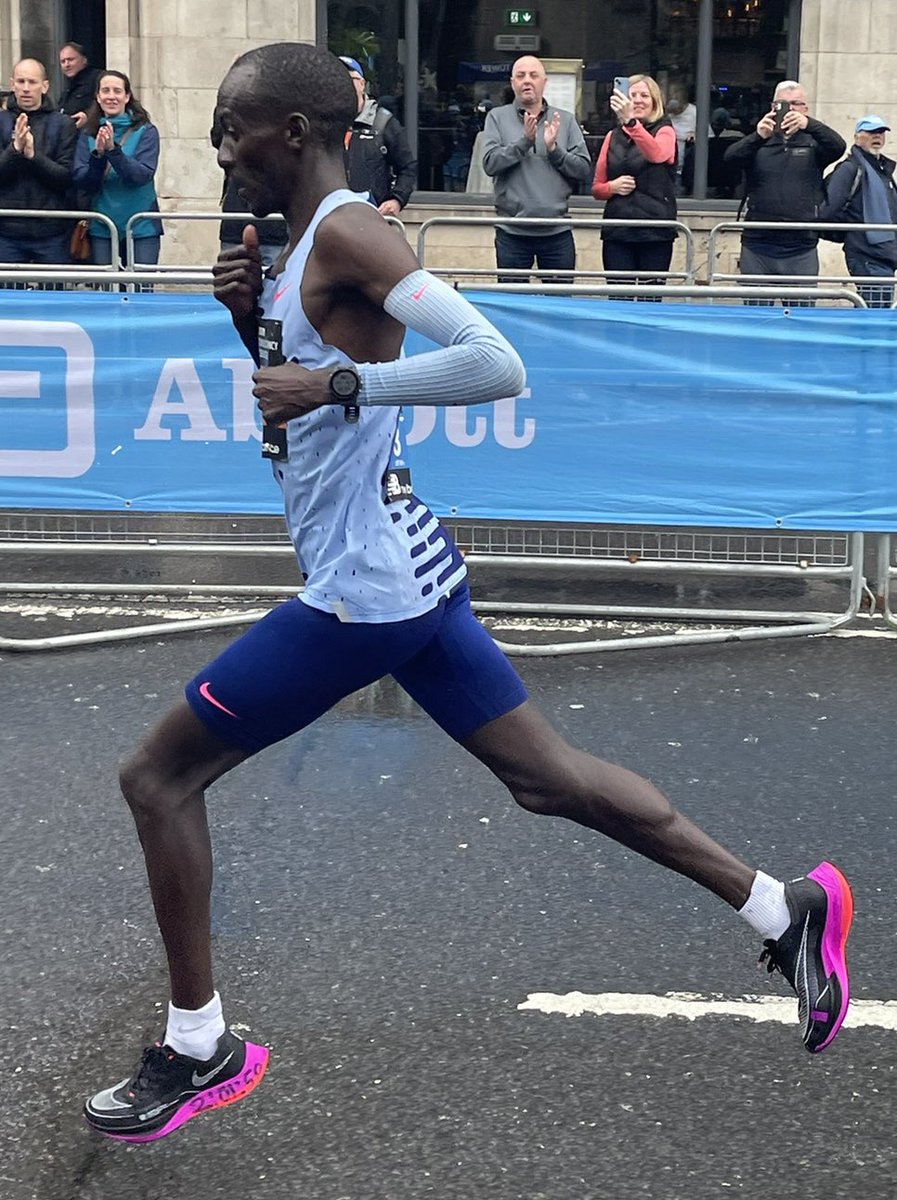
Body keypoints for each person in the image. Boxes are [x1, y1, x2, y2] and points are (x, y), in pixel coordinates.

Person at [83, 42, 854, 1145]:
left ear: (293, 133)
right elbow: (299, 411)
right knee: (548, 782)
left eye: (229, 127)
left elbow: (496, 362)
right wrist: (244, 318)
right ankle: (785, 904)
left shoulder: (352, 230)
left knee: (156, 776)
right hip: (401, 563)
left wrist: (342, 376)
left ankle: (200, 1045)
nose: (216, 147)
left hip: (366, 590)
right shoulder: (297, 242)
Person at [724, 80, 845, 304]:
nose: (789, 110)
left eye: (795, 104)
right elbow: (730, 159)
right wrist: (757, 136)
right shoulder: (759, 141)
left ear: (805, 108)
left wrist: (809, 125)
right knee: (757, 316)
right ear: (772, 107)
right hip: (758, 244)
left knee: (801, 316)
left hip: (800, 246)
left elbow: (838, 146)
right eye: (782, 104)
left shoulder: (814, 143)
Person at [481, 55, 592, 282]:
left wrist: (554, 150)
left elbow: (583, 170)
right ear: (512, 83)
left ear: (544, 82)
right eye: (520, 76)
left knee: (558, 307)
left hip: (556, 232)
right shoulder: (497, 118)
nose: (527, 81)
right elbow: (490, 164)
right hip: (512, 232)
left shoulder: (566, 120)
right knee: (513, 306)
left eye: (533, 75)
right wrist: (524, 142)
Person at [590, 75, 677, 298]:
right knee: (619, 298)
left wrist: (632, 124)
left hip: (654, 232)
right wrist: (612, 187)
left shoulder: (665, 130)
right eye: (632, 96)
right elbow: (597, 188)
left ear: (655, 101)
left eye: (644, 95)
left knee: (650, 298)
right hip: (619, 231)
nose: (637, 100)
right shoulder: (612, 136)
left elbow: (657, 154)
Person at [72, 70, 162, 273]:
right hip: (102, 225)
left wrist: (114, 152)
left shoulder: (146, 131)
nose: (111, 96)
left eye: (117, 91)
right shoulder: (87, 133)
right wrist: (99, 156)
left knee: (142, 289)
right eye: (105, 91)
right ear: (97, 96)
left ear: (127, 96)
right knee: (106, 291)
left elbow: (141, 175)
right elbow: (83, 180)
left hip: (141, 225)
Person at [0, 58, 78, 281]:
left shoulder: (63, 124)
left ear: (44, 86)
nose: (26, 88)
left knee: (54, 301)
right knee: (8, 304)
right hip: (6, 231)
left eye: (32, 82)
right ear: (12, 84)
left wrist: (34, 157)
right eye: (21, 81)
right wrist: (14, 150)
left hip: (51, 231)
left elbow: (66, 177)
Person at [821, 115, 897, 308]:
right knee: (876, 312)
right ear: (856, 137)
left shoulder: (882, 170)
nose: (877, 136)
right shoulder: (849, 169)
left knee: (872, 310)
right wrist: (852, 235)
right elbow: (829, 211)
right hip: (868, 255)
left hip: (883, 255)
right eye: (871, 132)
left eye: (880, 132)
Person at [339, 56, 416, 218]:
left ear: (362, 84)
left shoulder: (383, 123)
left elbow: (407, 168)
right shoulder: (321, 123)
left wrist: (397, 200)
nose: (343, 83)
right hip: (330, 220)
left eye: (349, 78)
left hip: (372, 220)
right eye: (338, 77)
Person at [210, 107, 286, 269]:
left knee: (276, 284)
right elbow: (218, 138)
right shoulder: (231, 108)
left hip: (275, 227)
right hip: (236, 222)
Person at [57, 43, 102, 129]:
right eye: (63, 61)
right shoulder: (67, 88)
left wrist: (88, 116)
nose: (67, 65)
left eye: (70, 60)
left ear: (84, 60)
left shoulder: (98, 79)